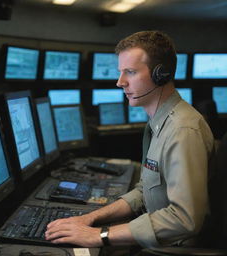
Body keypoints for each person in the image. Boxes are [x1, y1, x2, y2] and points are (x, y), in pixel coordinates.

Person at [45, 31, 215, 248]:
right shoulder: (159, 122)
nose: (119, 82)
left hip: (174, 249)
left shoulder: (182, 130)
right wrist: (90, 218)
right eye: (120, 72)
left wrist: (99, 236)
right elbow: (145, 192)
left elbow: (184, 220)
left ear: (160, 75)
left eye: (130, 72)